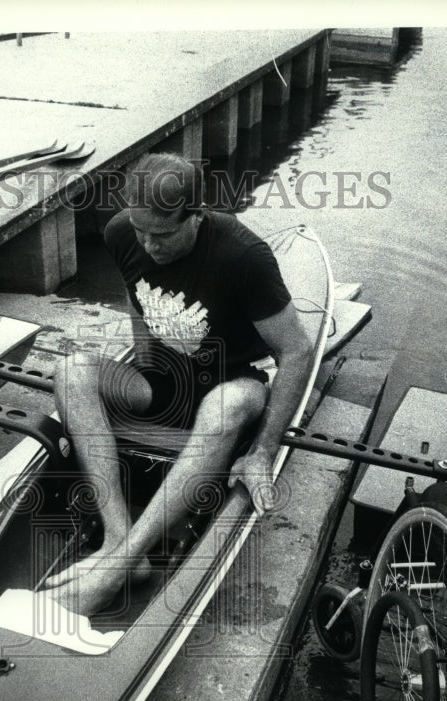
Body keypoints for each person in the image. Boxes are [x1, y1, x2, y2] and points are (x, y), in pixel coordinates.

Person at [44, 153, 316, 615]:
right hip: (162, 379)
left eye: (163, 234)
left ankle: (115, 569)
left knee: (228, 406)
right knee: (72, 371)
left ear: (196, 216)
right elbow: (137, 302)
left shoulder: (244, 256)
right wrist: (147, 367)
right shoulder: (120, 233)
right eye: (141, 230)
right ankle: (117, 540)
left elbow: (297, 352)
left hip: (233, 380)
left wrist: (263, 451)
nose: (148, 244)